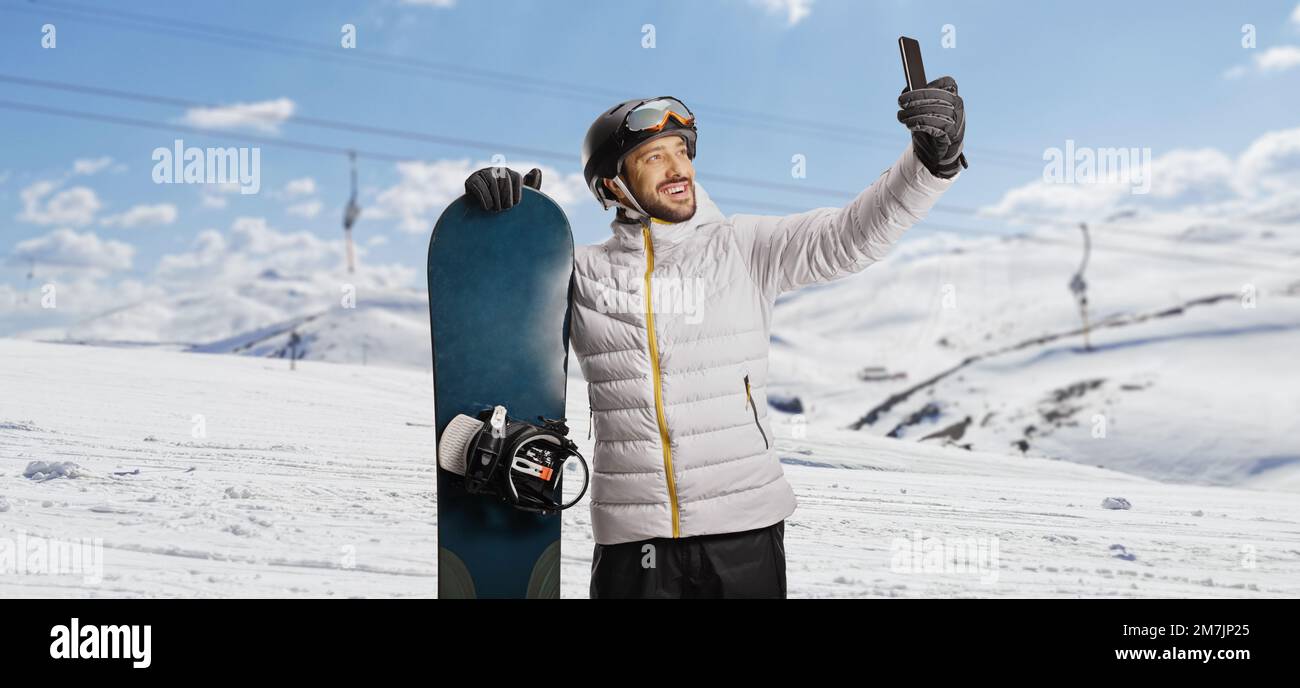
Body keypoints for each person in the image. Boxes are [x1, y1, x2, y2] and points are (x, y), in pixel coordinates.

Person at [462, 79, 965, 598]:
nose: (678, 168)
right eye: (653, 156)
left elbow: (851, 235)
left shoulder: (744, 247)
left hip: (744, 529)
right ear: (612, 185)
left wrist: (929, 166)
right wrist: (495, 228)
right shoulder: (582, 273)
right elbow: (495, 318)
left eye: (681, 151)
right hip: (634, 541)